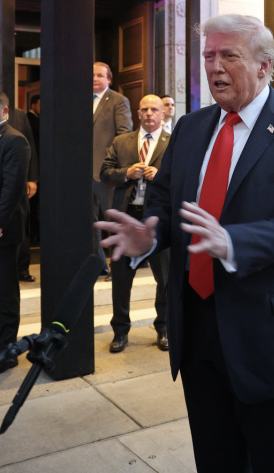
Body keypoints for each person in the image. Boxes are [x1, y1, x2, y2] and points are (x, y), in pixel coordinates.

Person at [95, 14, 274, 473]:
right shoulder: (190, 128)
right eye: (209, 55)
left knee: (273, 462)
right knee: (215, 459)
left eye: (229, 55)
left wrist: (235, 242)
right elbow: (165, 201)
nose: (215, 66)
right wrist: (151, 232)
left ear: (264, 66)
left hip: (268, 334)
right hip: (199, 331)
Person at [100, 95, 171, 354]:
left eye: (154, 109)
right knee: (121, 279)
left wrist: (160, 176)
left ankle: (163, 328)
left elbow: (186, 177)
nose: (149, 113)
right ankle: (120, 331)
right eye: (144, 109)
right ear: (138, 114)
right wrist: (126, 173)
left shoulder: (173, 142)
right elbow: (105, 172)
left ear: (163, 113)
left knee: (164, 278)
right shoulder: (121, 142)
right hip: (127, 218)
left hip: (159, 222)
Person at [0, 92, 31, 374]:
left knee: (5, 291)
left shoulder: (14, 139)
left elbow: (11, 188)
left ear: (5, 110)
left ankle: (6, 350)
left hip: (4, 229)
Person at [93, 62, 132, 278]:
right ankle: (100, 265)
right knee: (90, 223)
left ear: (109, 79)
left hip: (107, 171)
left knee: (112, 220)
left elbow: (124, 135)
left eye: (100, 75)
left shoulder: (118, 100)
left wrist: (115, 165)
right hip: (83, 173)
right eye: (92, 75)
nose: (95, 78)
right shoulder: (79, 99)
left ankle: (118, 267)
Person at [7, 105, 38, 283]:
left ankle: (22, 269)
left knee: (20, 224)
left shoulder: (18, 114)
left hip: (19, 180)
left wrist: (32, 178)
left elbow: (30, 145)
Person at [26, 95, 41, 246]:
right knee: (33, 204)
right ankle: (33, 233)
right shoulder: (30, 119)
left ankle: (34, 233)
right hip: (35, 169)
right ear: (33, 105)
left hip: (36, 169)